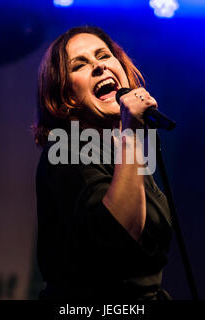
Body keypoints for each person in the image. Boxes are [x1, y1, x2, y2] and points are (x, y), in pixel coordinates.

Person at [33, 26, 173, 300]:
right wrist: (131, 133)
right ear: (66, 96)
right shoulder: (68, 146)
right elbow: (118, 238)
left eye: (104, 56)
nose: (99, 66)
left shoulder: (125, 155)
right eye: (80, 65)